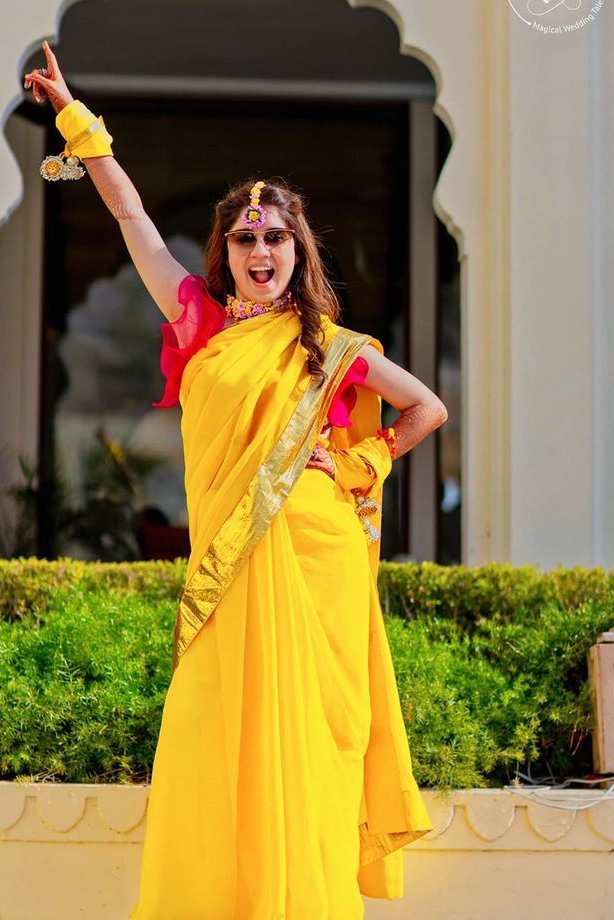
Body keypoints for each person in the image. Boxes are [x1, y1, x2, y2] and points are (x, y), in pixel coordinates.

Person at [25, 40, 447, 920]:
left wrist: (363, 460)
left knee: (306, 742)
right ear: (228, 251)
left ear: (298, 250)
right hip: (230, 562)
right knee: (213, 733)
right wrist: (75, 118)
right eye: (245, 238)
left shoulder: (328, 346)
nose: (260, 250)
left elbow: (426, 409)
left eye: (275, 237)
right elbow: (136, 221)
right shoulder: (203, 323)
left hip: (315, 557)